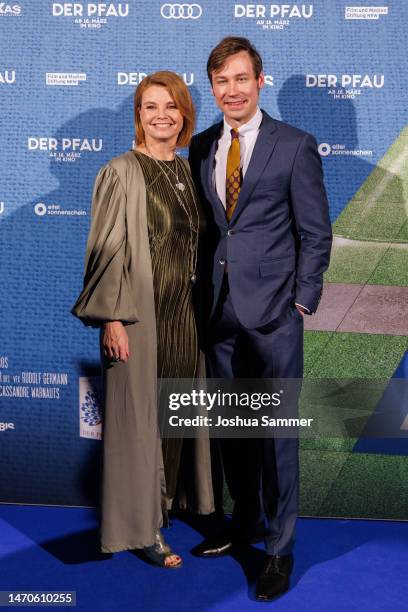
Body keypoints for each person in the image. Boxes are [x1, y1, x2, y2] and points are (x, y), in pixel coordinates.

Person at [189, 38, 332, 599]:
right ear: (214, 87)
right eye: (222, 81)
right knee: (232, 430)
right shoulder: (202, 145)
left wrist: (303, 298)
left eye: (241, 79)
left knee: (275, 437)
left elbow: (315, 232)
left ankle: (278, 549)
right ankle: (242, 520)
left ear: (260, 82)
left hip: (275, 314)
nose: (232, 91)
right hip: (218, 313)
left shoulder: (294, 145)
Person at [72, 71, 214, 568]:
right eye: (151, 106)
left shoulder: (188, 170)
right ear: (139, 115)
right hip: (138, 319)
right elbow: (107, 249)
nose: (161, 116)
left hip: (186, 319)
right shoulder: (121, 171)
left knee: (173, 419)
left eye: (170, 106)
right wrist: (111, 317)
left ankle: (166, 507)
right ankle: (142, 529)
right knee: (139, 426)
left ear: (184, 114)